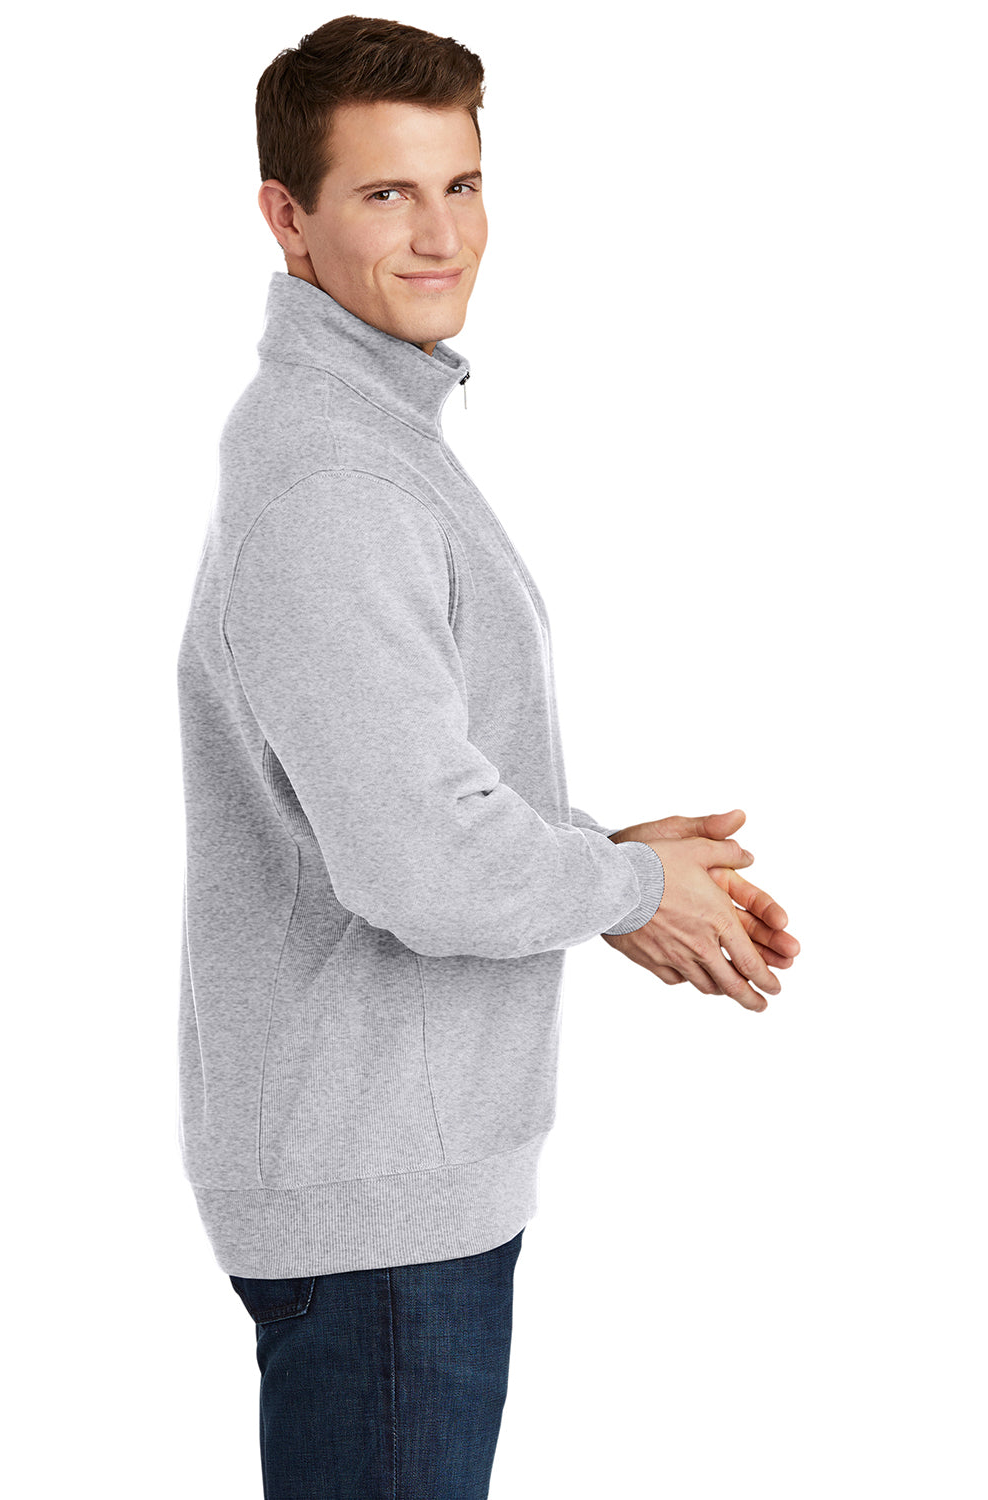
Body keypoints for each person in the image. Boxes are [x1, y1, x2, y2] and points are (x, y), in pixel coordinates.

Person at [175, 15, 801, 1499]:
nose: (441, 235)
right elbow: (419, 864)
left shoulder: (368, 437)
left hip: (388, 1177)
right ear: (288, 217)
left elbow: (391, 785)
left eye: (461, 185)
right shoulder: (336, 475)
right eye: (387, 193)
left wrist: (605, 863)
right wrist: (627, 888)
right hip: (381, 1205)